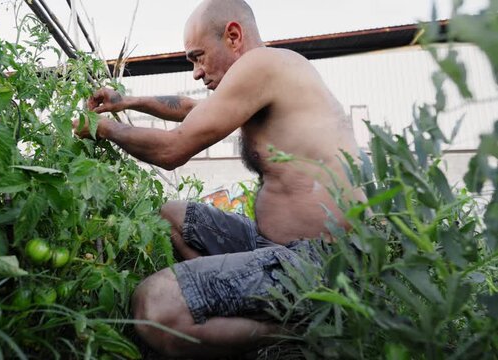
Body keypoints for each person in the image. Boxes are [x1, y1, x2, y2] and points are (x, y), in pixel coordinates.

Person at [74, 0, 366, 357]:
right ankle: (220, 301)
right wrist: (126, 101)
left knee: (155, 308)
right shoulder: (270, 77)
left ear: (233, 36)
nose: (196, 72)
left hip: (322, 262)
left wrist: (102, 128)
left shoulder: (263, 65)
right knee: (170, 216)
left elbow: (172, 151)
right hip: (274, 246)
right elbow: (188, 108)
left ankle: (296, 336)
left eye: (198, 57)